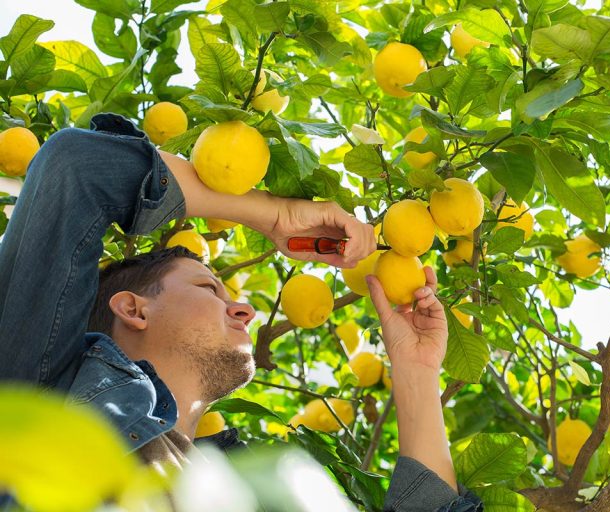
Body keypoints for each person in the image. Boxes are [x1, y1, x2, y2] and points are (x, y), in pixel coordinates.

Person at [0, 113, 482, 511]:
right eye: (211, 287)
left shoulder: (237, 495)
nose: (245, 308)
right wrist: (273, 214)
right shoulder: (49, 402)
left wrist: (416, 372)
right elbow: (76, 169)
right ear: (132, 309)